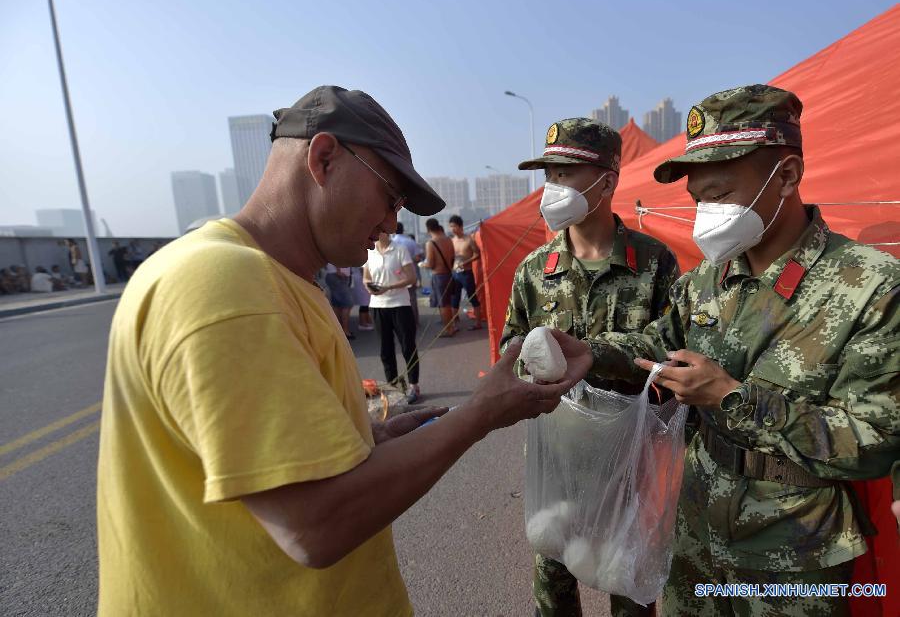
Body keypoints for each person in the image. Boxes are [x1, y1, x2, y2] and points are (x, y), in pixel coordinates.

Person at [96, 85, 592, 617]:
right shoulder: (224, 285)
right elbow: (314, 523)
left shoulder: (283, 281)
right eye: (389, 197)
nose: (390, 224)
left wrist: (362, 439)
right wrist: (481, 413)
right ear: (324, 158)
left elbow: (270, 464)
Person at [582, 85, 900, 616]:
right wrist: (587, 354)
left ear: (788, 176)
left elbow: (875, 439)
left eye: (721, 195)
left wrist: (731, 398)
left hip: (795, 551)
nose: (706, 212)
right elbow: (657, 345)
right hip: (697, 530)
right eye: (698, 199)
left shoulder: (871, 286)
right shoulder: (708, 279)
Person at [500, 117, 680, 617]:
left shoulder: (654, 264)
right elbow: (509, 352)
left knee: (628, 585)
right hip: (556, 464)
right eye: (549, 175)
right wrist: (531, 370)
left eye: (567, 174)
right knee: (553, 588)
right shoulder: (535, 271)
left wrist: (603, 357)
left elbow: (673, 346)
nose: (554, 188)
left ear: (608, 180)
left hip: (628, 465)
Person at [364, 231, 421, 403]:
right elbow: (366, 278)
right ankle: (394, 386)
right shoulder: (369, 252)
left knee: (407, 346)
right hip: (378, 306)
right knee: (385, 350)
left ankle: (413, 385)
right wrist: (369, 287)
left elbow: (411, 278)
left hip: (400, 304)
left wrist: (388, 287)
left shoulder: (399, 249)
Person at [420, 218, 457, 336]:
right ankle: (452, 327)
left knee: (443, 305)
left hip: (439, 276)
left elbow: (430, 264)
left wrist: (422, 264)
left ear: (428, 229)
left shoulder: (431, 243)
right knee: (448, 303)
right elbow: (452, 258)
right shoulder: (448, 240)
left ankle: (448, 329)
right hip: (449, 274)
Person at [448, 214, 483, 330]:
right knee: (454, 298)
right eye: (451, 226)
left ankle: (478, 323)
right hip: (455, 273)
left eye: (454, 226)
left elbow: (477, 254)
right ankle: (454, 324)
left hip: (466, 273)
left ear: (460, 226)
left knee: (472, 297)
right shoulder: (451, 240)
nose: (452, 229)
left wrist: (466, 261)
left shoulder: (469, 239)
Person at [392, 221, 424, 327]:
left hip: (396, 276)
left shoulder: (392, 242)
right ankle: (415, 321)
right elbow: (419, 257)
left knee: (398, 300)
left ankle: (402, 323)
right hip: (411, 274)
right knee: (412, 299)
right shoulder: (410, 241)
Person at [325, 264, 355, 339]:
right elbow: (335, 257)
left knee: (337, 305)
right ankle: (345, 331)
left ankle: (339, 330)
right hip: (338, 275)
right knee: (347, 304)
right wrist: (338, 270)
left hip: (335, 275)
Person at [351, 267, 374, 331]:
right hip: (361, 280)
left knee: (365, 303)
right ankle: (362, 323)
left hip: (360, 279)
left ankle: (366, 321)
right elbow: (363, 270)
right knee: (364, 303)